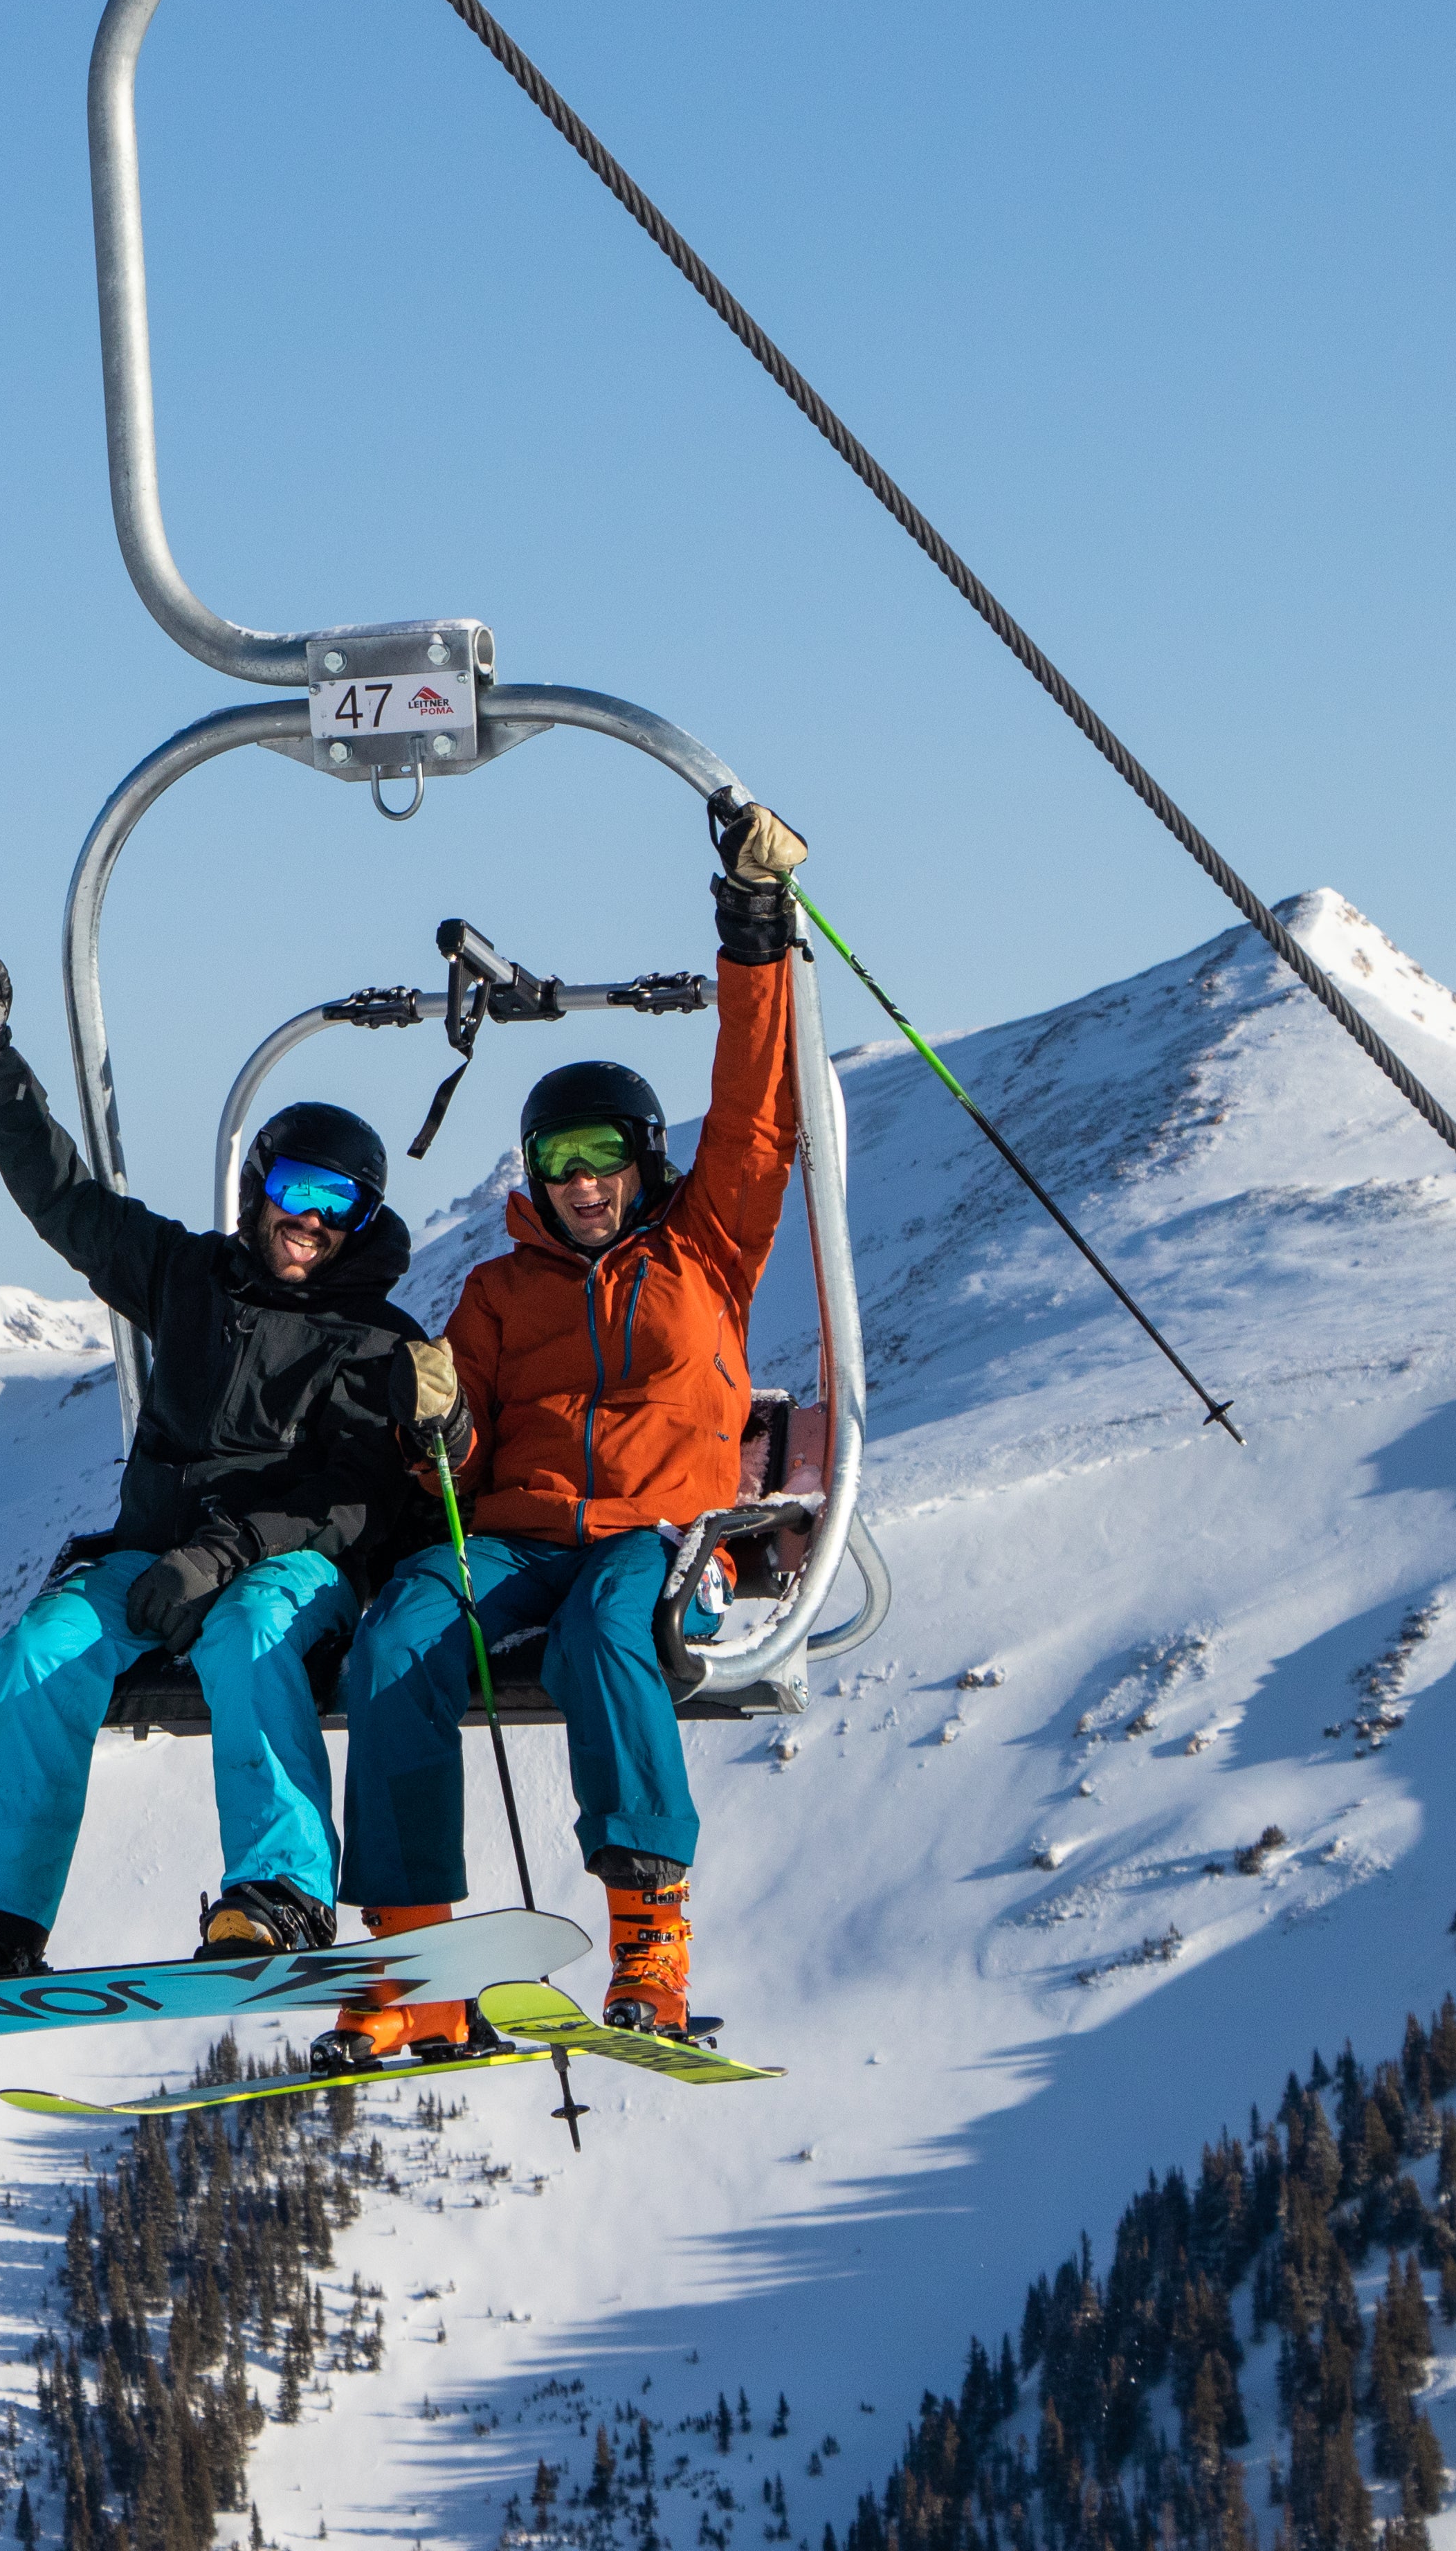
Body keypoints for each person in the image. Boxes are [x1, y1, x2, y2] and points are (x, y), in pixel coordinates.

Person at [315, 794, 813, 2073]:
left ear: (642, 1159)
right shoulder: (497, 1292)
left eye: (602, 1155)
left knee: (606, 1635)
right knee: (399, 1638)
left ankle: (650, 1943)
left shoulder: (706, 1249)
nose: (582, 1182)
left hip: (661, 1529)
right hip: (521, 1536)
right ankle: (415, 1969)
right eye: (556, 1160)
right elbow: (462, 1452)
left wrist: (754, 932)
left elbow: (757, 1116)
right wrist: (438, 1434)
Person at [0, 943, 451, 1987]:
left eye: (341, 1205)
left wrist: (223, 1556)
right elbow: (65, 1200)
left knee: (249, 1630)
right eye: (297, 1189)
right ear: (259, 1187)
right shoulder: (191, 1279)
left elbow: (352, 1500)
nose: (311, 1222)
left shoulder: (378, 1342)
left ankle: (281, 1894)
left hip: (290, 1569)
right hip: (153, 1559)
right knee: (42, 1646)